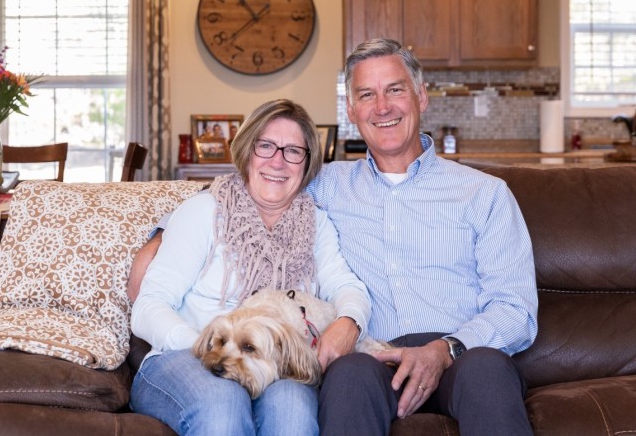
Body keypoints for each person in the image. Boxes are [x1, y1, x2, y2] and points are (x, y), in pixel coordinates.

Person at [311, 38, 538, 435]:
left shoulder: (484, 193)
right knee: (347, 375)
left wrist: (444, 350)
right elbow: (245, 193)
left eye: (395, 89)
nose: (382, 107)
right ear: (351, 110)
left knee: (486, 369)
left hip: (462, 357)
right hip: (371, 356)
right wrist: (162, 232)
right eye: (367, 94)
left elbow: (516, 310)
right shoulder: (327, 185)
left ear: (421, 97)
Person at [129, 99, 372, 436]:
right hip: (184, 358)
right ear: (246, 151)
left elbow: (346, 286)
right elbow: (148, 305)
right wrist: (209, 348)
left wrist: (349, 321)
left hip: (274, 368)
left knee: (293, 416)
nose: (277, 161)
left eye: (293, 151)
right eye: (266, 146)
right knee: (223, 406)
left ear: (307, 163)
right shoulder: (203, 211)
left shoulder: (317, 223)